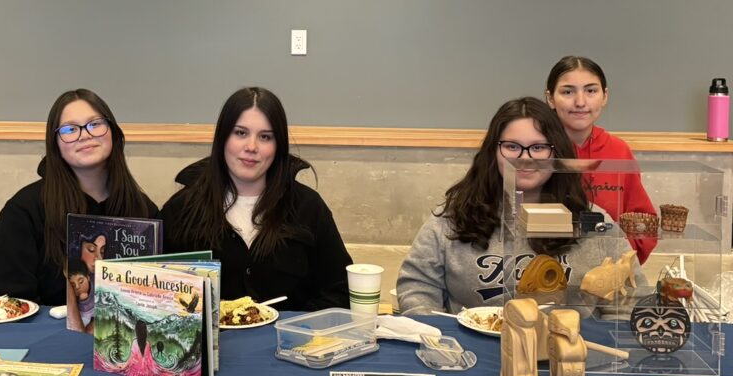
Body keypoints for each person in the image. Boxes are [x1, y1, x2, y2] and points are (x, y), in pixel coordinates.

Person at [396, 97, 641, 315]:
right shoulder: (455, 216)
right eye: (512, 146)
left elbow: (626, 302)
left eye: (538, 147)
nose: (525, 157)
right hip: (474, 353)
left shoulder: (594, 221)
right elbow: (418, 285)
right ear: (493, 152)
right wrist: (441, 340)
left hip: (567, 352)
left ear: (558, 153)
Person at [161, 87, 352, 311]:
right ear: (223, 138)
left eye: (265, 137)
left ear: (278, 146)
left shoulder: (309, 208)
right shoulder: (181, 209)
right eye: (240, 133)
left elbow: (338, 292)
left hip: (290, 343)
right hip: (212, 345)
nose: (251, 147)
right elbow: (156, 297)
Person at [0, 89, 157, 306]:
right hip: (41, 335)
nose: (85, 135)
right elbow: (4, 302)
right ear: (55, 144)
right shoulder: (24, 210)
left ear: (114, 133)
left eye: (95, 124)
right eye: (70, 129)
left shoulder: (143, 210)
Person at [546, 56, 656, 263]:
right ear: (550, 98)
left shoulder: (619, 151)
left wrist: (618, 259)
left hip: (607, 274)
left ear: (604, 96)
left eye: (591, 91)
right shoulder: (536, 150)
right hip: (546, 272)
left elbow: (644, 223)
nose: (580, 102)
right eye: (567, 91)